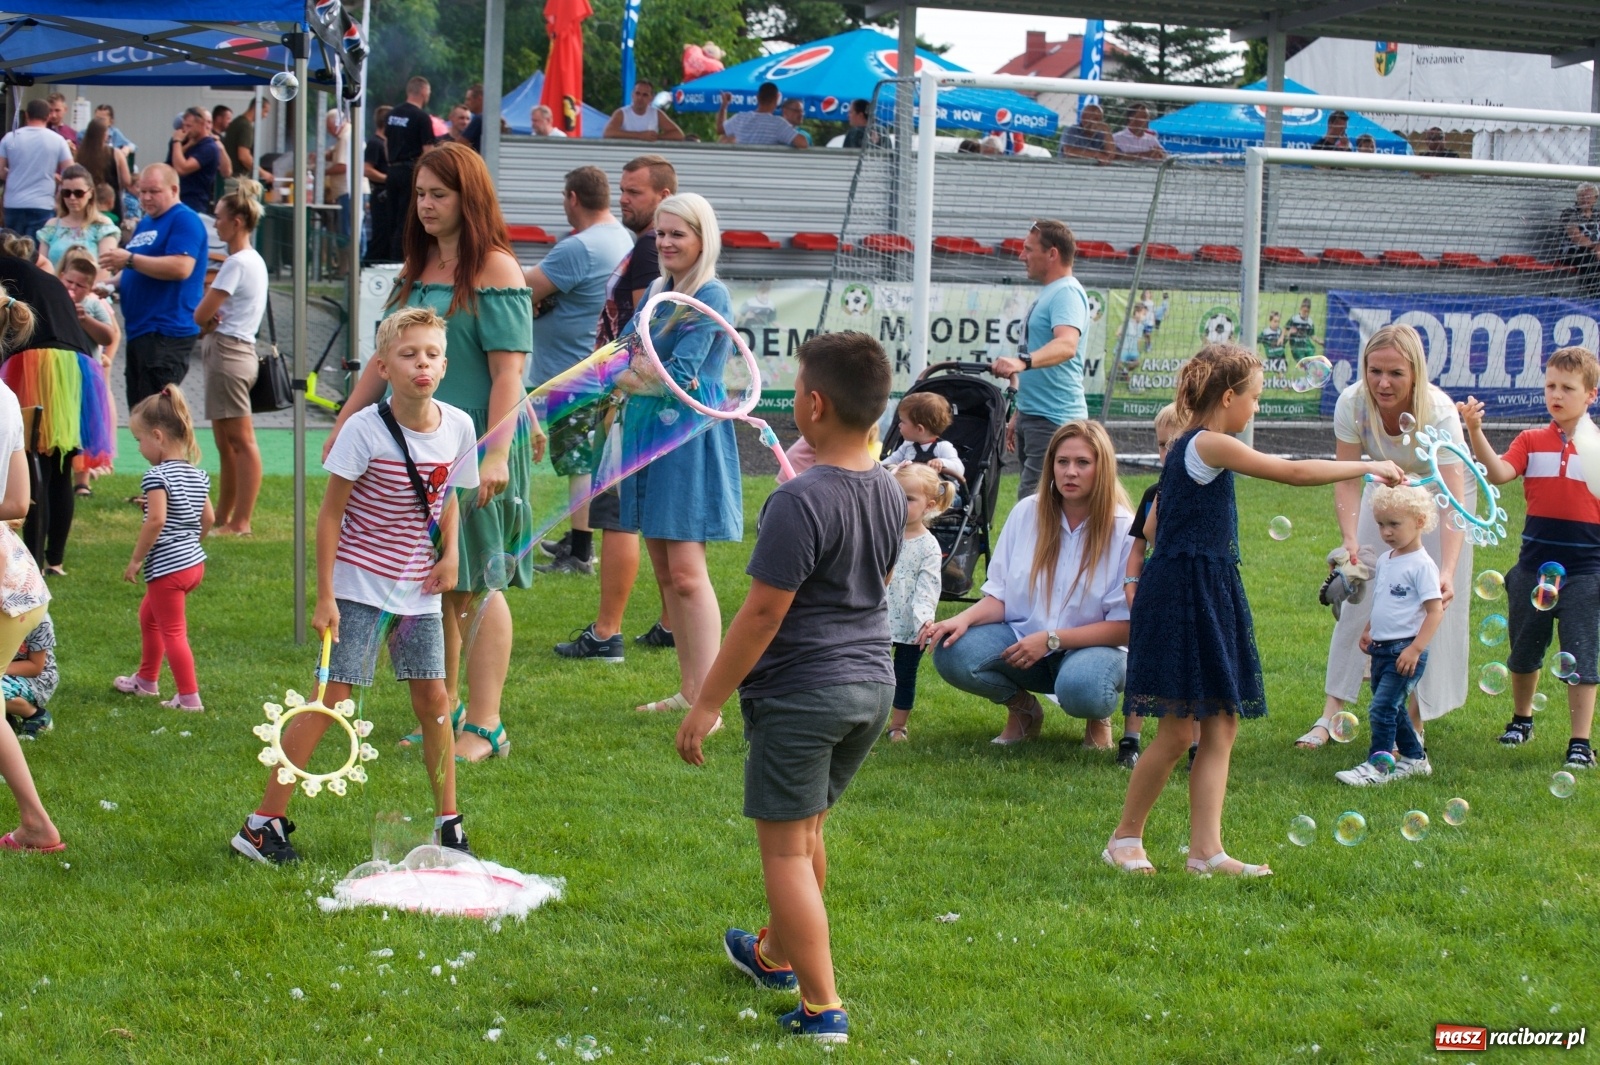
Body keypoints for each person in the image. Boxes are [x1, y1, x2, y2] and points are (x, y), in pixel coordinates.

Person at [675, 331, 902, 1047]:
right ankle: (774, 954)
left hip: (805, 694)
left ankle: (821, 1005)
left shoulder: (798, 502)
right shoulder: (889, 488)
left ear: (811, 402)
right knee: (805, 835)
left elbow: (763, 612)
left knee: (784, 852)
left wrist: (707, 700)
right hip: (870, 685)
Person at [1103, 344, 1404, 878]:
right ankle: (1124, 837)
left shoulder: (1201, 445)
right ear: (1227, 397)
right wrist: (1371, 464)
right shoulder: (1208, 444)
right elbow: (1291, 473)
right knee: (1177, 733)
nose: (1257, 409)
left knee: (1221, 726)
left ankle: (1206, 852)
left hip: (1207, 588)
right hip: (1183, 594)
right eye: (1255, 398)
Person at [232, 307, 477, 865]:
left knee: (435, 700)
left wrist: (452, 555)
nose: (422, 363)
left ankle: (448, 823)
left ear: (444, 365)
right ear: (383, 365)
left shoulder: (458, 425)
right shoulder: (364, 429)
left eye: (432, 355)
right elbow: (330, 515)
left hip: (418, 589)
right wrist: (324, 595)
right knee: (331, 699)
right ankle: (260, 823)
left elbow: (449, 497)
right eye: (409, 353)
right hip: (359, 585)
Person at [325, 142, 530, 764]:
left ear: (471, 199)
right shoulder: (415, 271)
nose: (427, 205)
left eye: (440, 194)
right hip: (410, 453)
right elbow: (381, 361)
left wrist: (493, 456)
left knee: (477, 584)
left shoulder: (495, 268)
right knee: (436, 585)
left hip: (473, 451)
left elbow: (508, 375)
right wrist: (346, 420)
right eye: (420, 194)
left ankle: (488, 725)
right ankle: (448, 709)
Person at [1294, 325, 1472, 750]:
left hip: (1438, 501)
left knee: (1429, 606)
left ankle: (1411, 724)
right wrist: (1351, 543)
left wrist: (1446, 569)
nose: (1383, 383)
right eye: (1374, 371)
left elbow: (1453, 497)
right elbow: (1347, 479)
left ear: (1415, 373)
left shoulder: (1440, 412)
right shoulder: (1352, 403)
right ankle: (1329, 715)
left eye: (1395, 373)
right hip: (1383, 494)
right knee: (1359, 604)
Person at [927, 420, 1134, 748]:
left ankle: (1097, 716)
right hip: (1025, 642)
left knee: (1084, 686)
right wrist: (960, 620)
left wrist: (1052, 640)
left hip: (1094, 650)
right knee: (952, 651)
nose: (1070, 472)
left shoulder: (1124, 529)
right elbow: (1002, 597)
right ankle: (1023, 711)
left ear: (1102, 467)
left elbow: (1126, 627)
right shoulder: (1027, 513)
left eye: (1083, 463)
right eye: (1062, 462)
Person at [549, 155, 678, 661]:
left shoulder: (650, 250)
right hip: (628, 392)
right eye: (622, 191)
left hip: (627, 395)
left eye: (636, 193)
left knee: (617, 513)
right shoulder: (644, 246)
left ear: (664, 197)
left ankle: (607, 633)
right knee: (640, 515)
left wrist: (617, 384)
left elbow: (649, 331)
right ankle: (668, 624)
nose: (623, 199)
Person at [619, 192, 743, 716]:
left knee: (689, 574)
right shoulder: (657, 288)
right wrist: (627, 373)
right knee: (668, 576)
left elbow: (676, 378)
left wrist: (626, 376)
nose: (666, 243)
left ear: (702, 239)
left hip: (688, 437)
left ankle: (708, 704)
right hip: (649, 437)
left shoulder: (709, 293)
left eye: (678, 234)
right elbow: (624, 352)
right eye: (660, 234)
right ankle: (690, 691)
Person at [1458, 346, 1600, 770]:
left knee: (1581, 656)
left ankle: (1580, 741)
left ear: (1591, 394)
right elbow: (1499, 473)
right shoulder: (1531, 440)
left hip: (1587, 571)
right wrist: (1475, 431)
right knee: (1522, 651)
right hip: (1531, 569)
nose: (1556, 394)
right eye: (1550, 385)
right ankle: (1522, 719)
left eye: (1568, 388)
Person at [524, 167, 635, 579]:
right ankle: (578, 537)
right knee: (585, 456)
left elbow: (523, 289)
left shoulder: (580, 246)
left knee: (579, 460)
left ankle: (580, 552)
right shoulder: (618, 236)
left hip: (574, 370)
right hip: (594, 366)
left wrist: (537, 301)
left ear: (572, 198)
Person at [0, 312, 65, 853]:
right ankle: (36, 824)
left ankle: (38, 823)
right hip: (18, 584)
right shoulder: (6, 399)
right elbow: (19, 503)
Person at [0, 233, 100, 575]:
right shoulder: (47, 280)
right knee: (60, 464)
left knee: (29, 462)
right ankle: (54, 560)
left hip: (35, 363)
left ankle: (32, 561)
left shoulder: (7, 275)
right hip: (76, 367)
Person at [1334, 483, 1443, 785]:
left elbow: (1435, 612)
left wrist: (1416, 649)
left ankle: (1378, 766)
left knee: (1381, 707)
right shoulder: (1386, 560)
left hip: (1405, 651)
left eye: (1394, 524)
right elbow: (1382, 600)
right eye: (1381, 524)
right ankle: (1415, 758)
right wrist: (1369, 629)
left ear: (1420, 521)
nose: (1386, 532)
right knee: (1392, 709)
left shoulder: (1422, 566)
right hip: (1382, 649)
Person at [113, 387, 213, 711]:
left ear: (157, 436)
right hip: (193, 565)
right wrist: (191, 544)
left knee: (174, 632)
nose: (140, 448)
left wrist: (136, 559)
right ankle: (146, 680)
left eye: (140, 440)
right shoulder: (197, 474)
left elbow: (155, 520)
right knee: (149, 616)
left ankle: (189, 698)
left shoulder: (156, 475)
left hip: (168, 568)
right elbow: (207, 517)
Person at [1119, 403, 1201, 771]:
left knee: (1192, 667)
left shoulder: (1204, 488)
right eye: (1161, 445)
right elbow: (1142, 544)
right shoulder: (1155, 492)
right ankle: (1130, 739)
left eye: (1176, 444)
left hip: (1192, 590)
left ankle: (1197, 745)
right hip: (1155, 589)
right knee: (1145, 662)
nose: (1167, 452)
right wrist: (1131, 583)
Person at [988, 219, 1090, 499]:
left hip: (1054, 420)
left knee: (1034, 508)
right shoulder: (1051, 292)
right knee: (1037, 507)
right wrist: (1020, 414)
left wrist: (1021, 362)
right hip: (1036, 416)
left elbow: (1067, 344)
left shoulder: (1067, 292)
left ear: (1052, 253)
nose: (1021, 256)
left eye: (1028, 249)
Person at [194, 180, 268, 537]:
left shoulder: (236, 263)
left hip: (230, 352)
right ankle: (224, 515)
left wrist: (208, 319)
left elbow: (201, 314)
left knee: (240, 441)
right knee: (226, 442)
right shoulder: (252, 260)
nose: (216, 225)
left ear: (237, 221)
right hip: (235, 351)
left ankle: (241, 521)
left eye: (220, 218)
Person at [100, 164, 209, 407]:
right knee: (141, 412)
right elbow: (136, 269)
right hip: (142, 330)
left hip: (166, 332)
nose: (146, 197)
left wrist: (129, 259)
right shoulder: (148, 222)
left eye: (154, 191)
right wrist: (109, 284)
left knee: (156, 415)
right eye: (142, 191)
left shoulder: (184, 220)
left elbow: (181, 267)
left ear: (173, 189)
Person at [884, 463, 950, 743]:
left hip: (911, 623)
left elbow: (928, 587)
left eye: (909, 499)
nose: (900, 503)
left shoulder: (928, 546)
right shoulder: (883, 532)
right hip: (875, 618)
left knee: (904, 674)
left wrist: (924, 619)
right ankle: (862, 718)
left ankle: (898, 725)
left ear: (929, 505)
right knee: (869, 670)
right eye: (895, 496)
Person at [58, 249, 119, 497]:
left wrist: (85, 321)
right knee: (62, 422)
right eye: (69, 282)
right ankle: (58, 473)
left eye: (80, 286)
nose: (73, 289)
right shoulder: (54, 298)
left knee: (84, 428)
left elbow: (109, 336)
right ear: (61, 276)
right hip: (60, 371)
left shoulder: (93, 305)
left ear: (90, 287)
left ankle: (82, 480)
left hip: (86, 373)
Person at [382, 77, 440, 265]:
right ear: (424, 93)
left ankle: (388, 259)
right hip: (411, 172)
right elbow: (428, 152)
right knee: (407, 219)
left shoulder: (391, 114)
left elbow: (385, 143)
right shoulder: (422, 117)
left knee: (391, 217)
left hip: (392, 170)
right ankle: (401, 262)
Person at [0, 100, 73, 237]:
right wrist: (56, 181)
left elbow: (0, 170)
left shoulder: (10, 138)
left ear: (27, 115)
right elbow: (70, 172)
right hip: (43, 203)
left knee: (12, 249)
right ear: (48, 116)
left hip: (13, 203)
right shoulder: (58, 140)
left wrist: (13, 174)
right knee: (36, 252)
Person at [36, 164, 120, 274]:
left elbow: (105, 269)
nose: (72, 198)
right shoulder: (51, 226)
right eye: (66, 193)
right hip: (54, 287)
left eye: (78, 193)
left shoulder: (103, 225)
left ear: (91, 193)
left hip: (90, 288)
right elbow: (42, 266)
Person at [881, 392, 965, 479]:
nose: (899, 425)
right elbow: (890, 461)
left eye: (903, 422)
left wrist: (942, 462)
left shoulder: (943, 447)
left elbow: (959, 470)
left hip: (937, 490)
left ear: (920, 429)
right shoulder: (907, 445)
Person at [3, 613, 57, 740]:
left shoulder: (37, 617)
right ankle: (6, 718)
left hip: (35, 678)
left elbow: (35, 667)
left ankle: (35, 715)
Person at [168, 106, 227, 215]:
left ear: (201, 125)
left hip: (193, 203)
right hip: (175, 200)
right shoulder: (187, 142)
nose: (185, 130)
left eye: (189, 126)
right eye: (184, 125)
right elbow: (169, 167)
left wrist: (177, 141)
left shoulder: (208, 147)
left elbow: (182, 168)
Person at [73, 121, 132, 229]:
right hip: (110, 201)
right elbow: (126, 180)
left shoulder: (80, 155)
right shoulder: (115, 153)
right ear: (104, 135)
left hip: (87, 202)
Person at [718, 84, 807, 148]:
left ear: (757, 98)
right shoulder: (778, 124)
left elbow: (720, 129)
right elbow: (803, 143)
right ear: (776, 99)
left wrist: (724, 106)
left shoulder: (740, 118)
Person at [603, 79, 686, 142]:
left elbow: (679, 135)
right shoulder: (621, 113)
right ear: (632, 94)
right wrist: (640, 136)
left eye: (645, 95)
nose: (640, 98)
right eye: (637, 93)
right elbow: (608, 133)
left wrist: (656, 137)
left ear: (651, 98)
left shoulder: (656, 114)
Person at [1557, 184, 1600, 296]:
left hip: (1596, 251)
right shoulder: (1569, 213)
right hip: (1572, 251)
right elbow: (1575, 236)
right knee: (1589, 259)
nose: (1585, 199)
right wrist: (1595, 247)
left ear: (1596, 198)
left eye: (1589, 196)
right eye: (1582, 196)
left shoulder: (1598, 215)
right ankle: (1595, 296)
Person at [363, 105, 392, 261]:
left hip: (386, 195)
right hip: (380, 195)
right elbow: (367, 170)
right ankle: (368, 265)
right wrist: (389, 179)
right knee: (380, 236)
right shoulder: (375, 143)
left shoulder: (384, 142)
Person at [225, 98, 266, 188]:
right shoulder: (246, 127)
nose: (265, 115)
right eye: (265, 111)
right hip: (239, 181)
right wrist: (263, 173)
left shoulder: (236, 122)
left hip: (229, 179)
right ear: (257, 107)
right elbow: (244, 156)